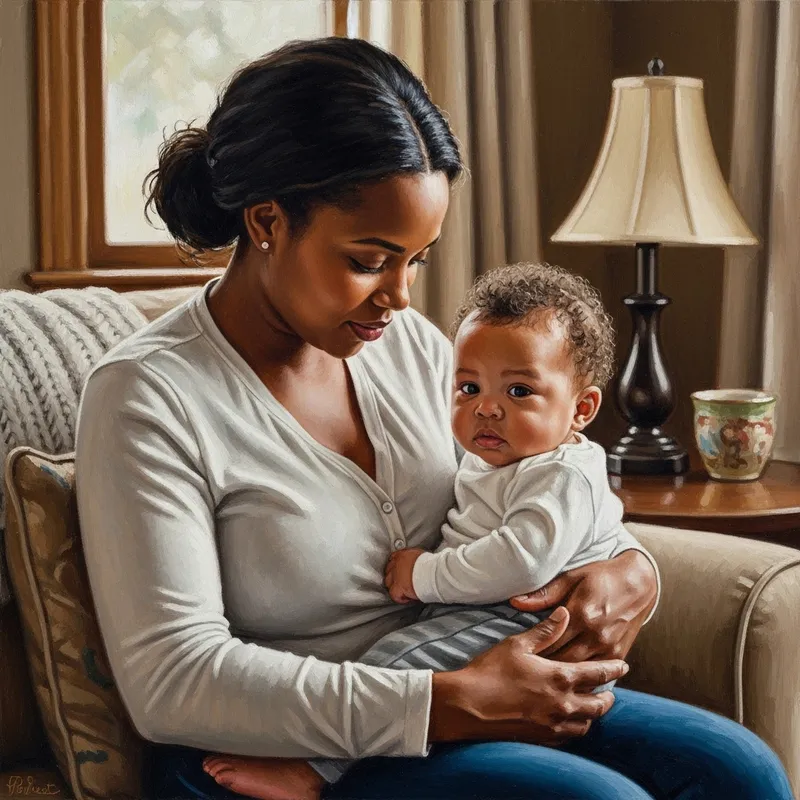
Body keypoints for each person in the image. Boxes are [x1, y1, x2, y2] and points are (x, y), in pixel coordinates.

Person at [74, 36, 793, 800]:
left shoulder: (413, 350)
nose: (402, 297)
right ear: (266, 222)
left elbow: (532, 491)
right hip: (269, 748)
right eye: (369, 259)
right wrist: (447, 703)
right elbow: (173, 683)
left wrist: (629, 571)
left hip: (460, 679)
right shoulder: (146, 395)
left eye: (416, 259)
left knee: (740, 771)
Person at [205, 261, 631, 799]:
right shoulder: (508, 453)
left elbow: (522, 559)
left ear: (582, 409)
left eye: (520, 391)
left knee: (396, 664)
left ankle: (311, 768)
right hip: (487, 635)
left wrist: (424, 575)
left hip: (513, 619)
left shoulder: (558, 472)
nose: (488, 409)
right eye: (468, 388)